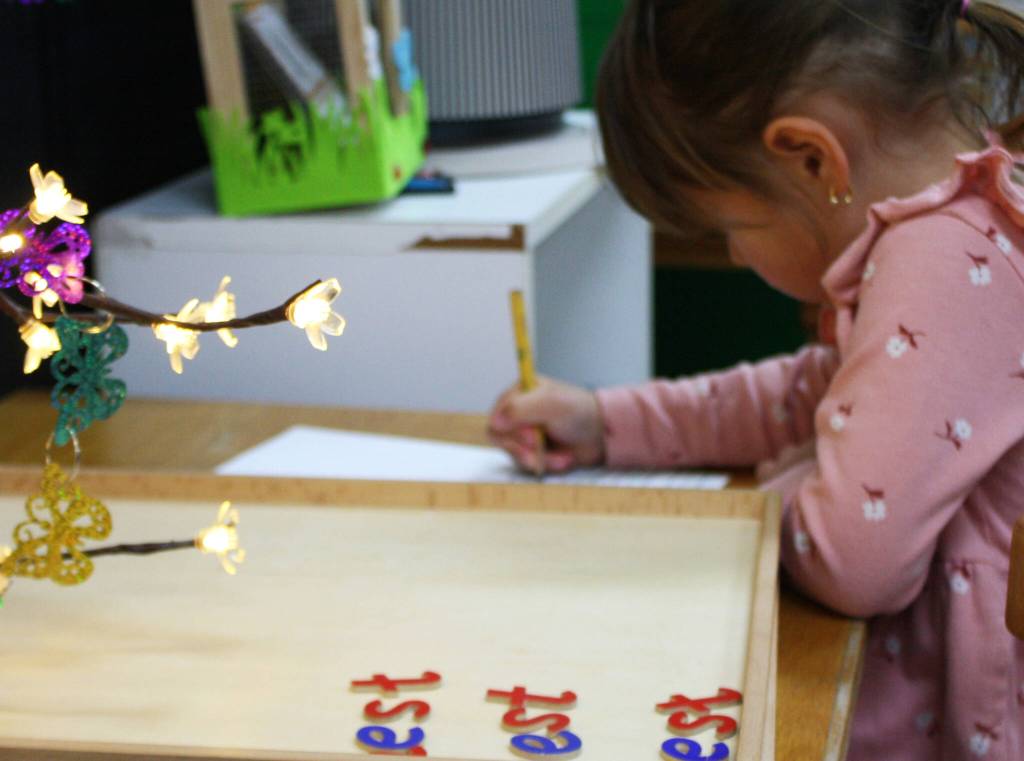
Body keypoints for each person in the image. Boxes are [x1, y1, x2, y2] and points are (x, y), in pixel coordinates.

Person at [488, 2, 1024, 759]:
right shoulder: (944, 225)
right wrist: (608, 420)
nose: (736, 257)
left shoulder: (939, 261)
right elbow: (808, 396)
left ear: (811, 158)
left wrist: (759, 501)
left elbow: (855, 561)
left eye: (730, 229)